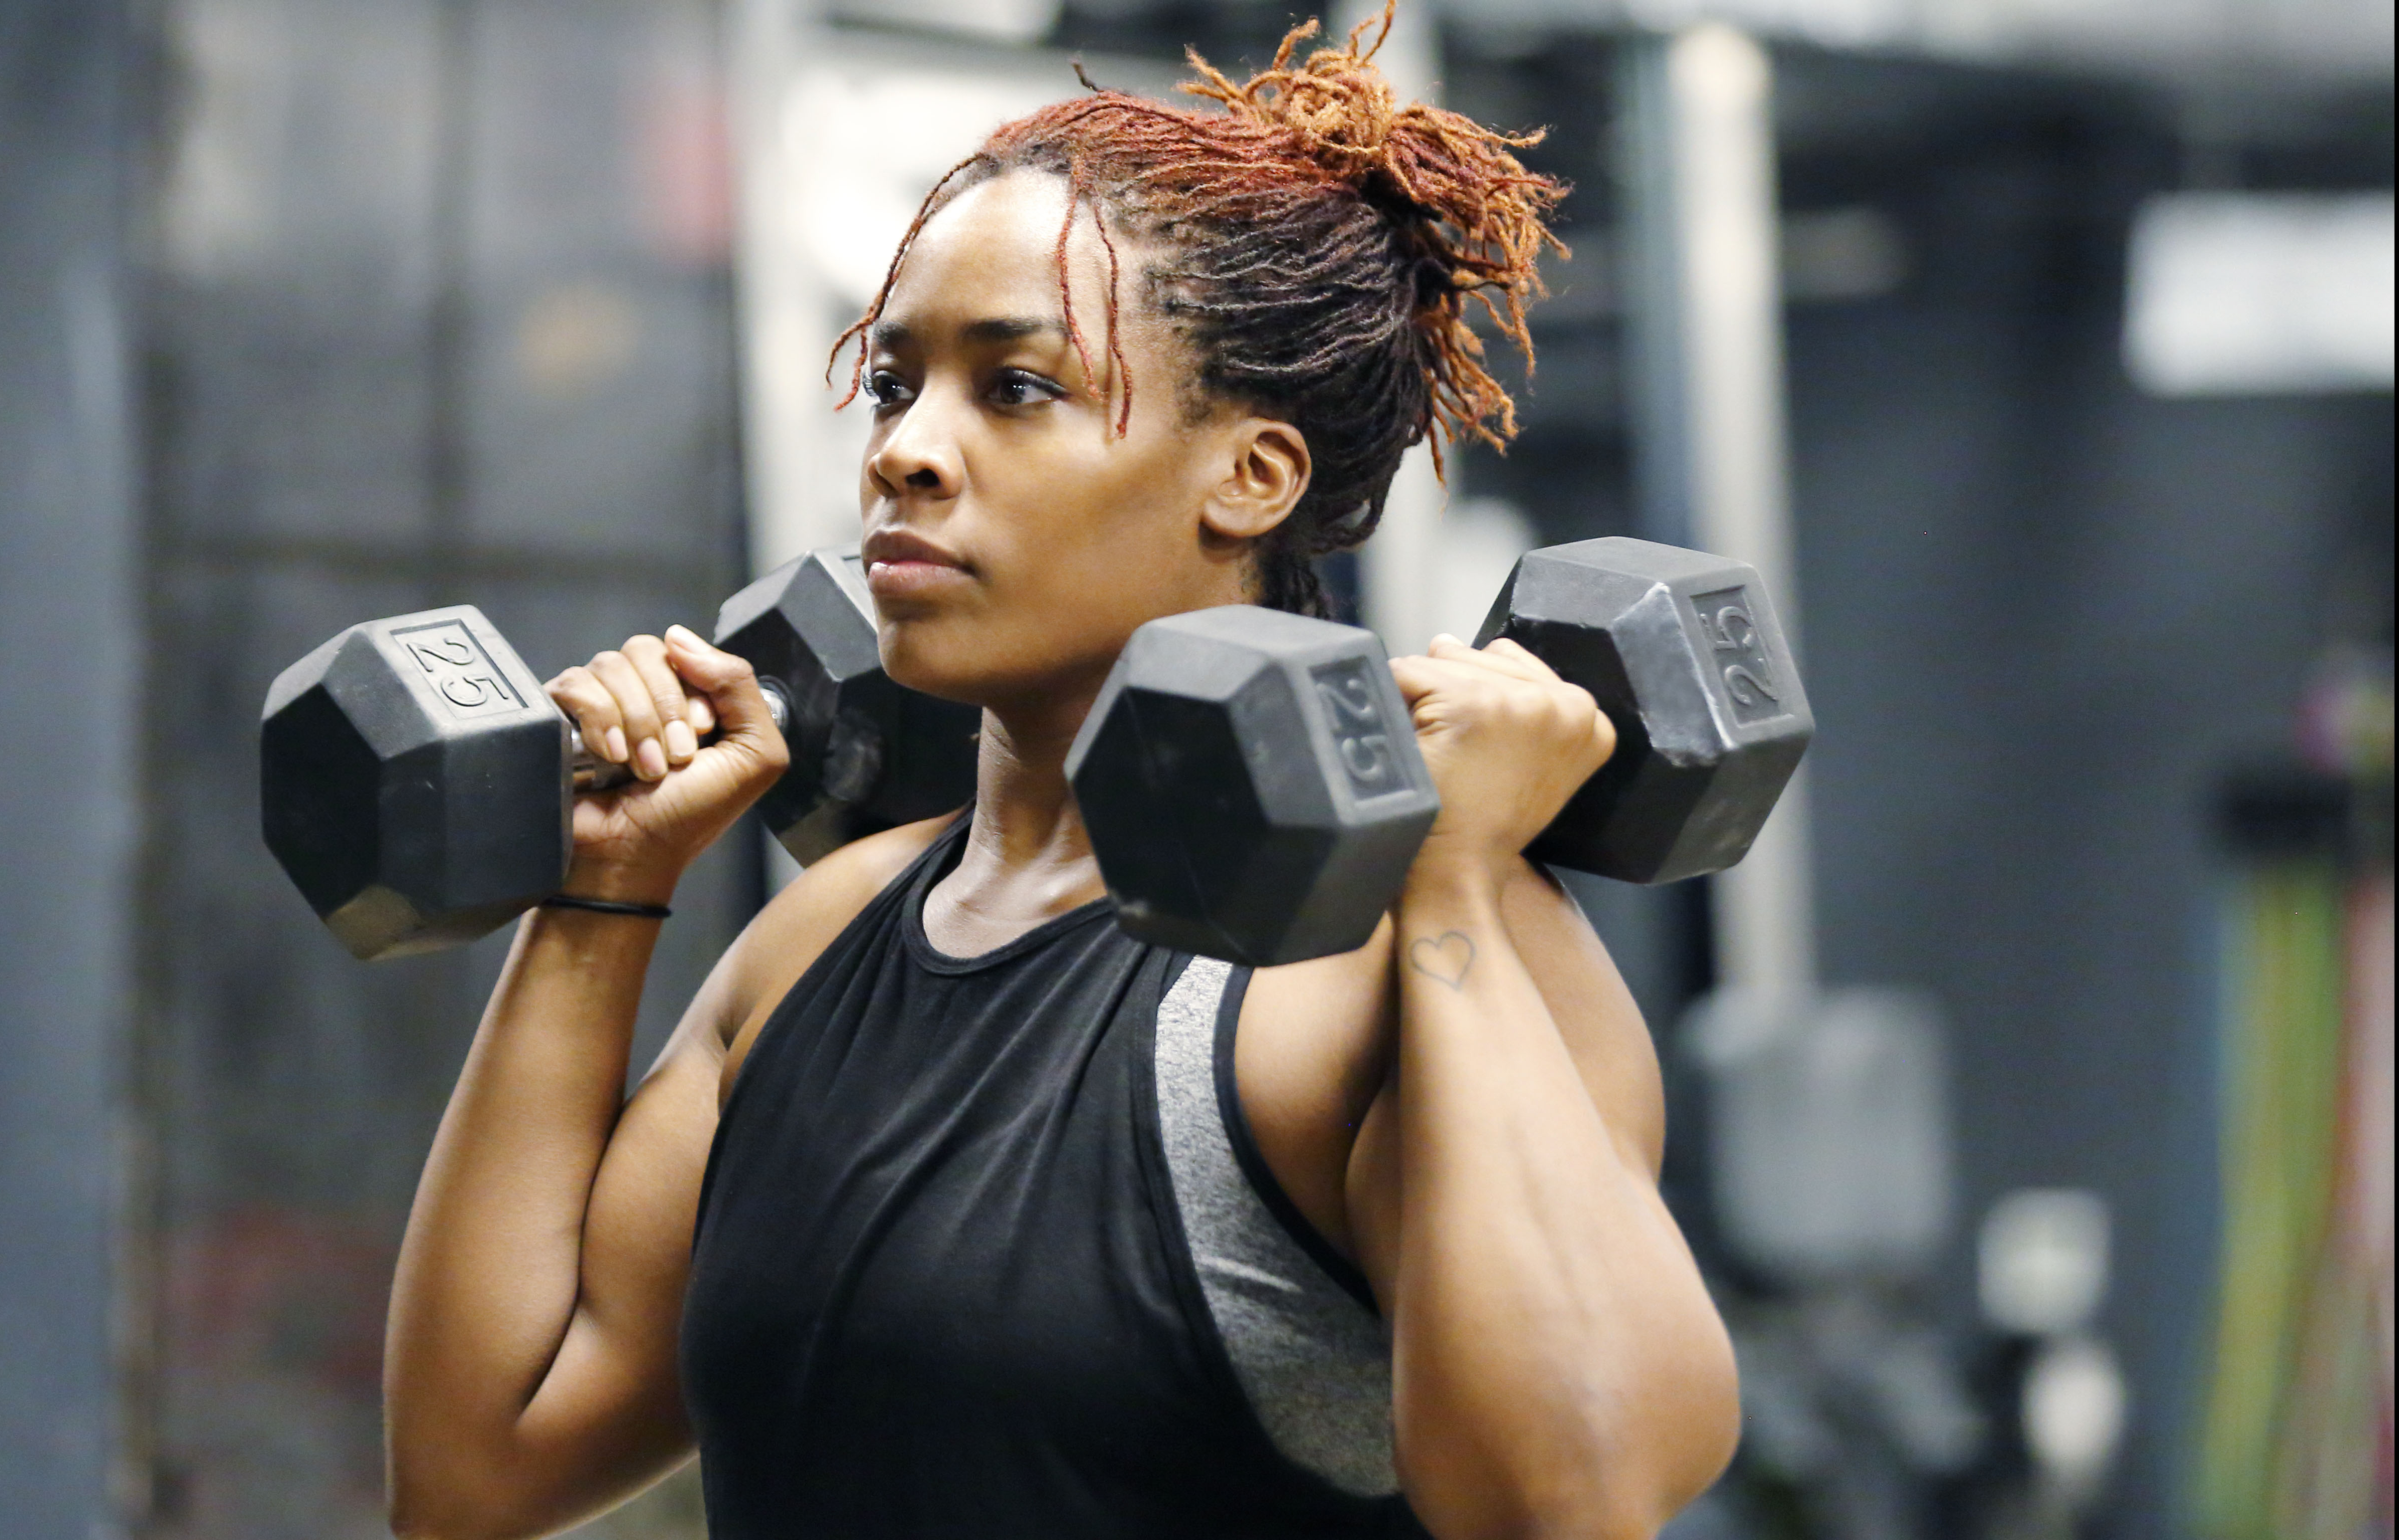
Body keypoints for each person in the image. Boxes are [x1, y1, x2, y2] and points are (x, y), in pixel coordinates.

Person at [381, 12, 1739, 1538]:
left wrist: (1456, 895)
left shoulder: (1376, 956)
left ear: (1252, 475)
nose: (904, 450)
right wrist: (596, 892)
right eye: (895, 385)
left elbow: (1571, 1496)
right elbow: (474, 1471)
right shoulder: (817, 936)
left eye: (1011, 387)